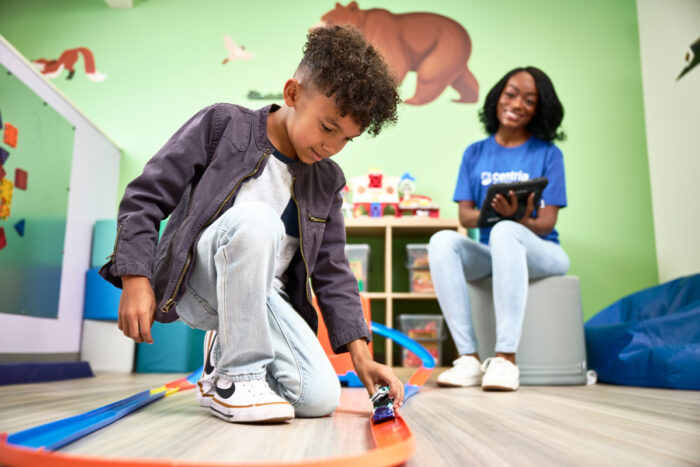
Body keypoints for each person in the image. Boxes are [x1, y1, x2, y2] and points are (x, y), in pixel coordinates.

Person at [100, 25, 404, 423]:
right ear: (292, 93)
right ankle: (234, 377)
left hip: (263, 302)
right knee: (259, 220)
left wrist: (363, 358)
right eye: (328, 127)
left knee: (319, 399)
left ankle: (224, 358)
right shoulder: (222, 125)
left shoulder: (327, 179)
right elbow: (145, 196)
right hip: (200, 285)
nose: (332, 146)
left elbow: (333, 270)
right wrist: (135, 277)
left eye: (347, 139)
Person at [428, 66, 569, 391]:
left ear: (539, 109)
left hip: (543, 251)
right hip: (494, 253)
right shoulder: (475, 153)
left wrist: (515, 218)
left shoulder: (548, 153)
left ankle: (506, 359)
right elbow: (465, 217)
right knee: (441, 241)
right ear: (497, 98)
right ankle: (469, 360)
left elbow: (548, 222)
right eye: (511, 94)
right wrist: (496, 212)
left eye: (529, 100)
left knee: (506, 231)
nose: (518, 104)